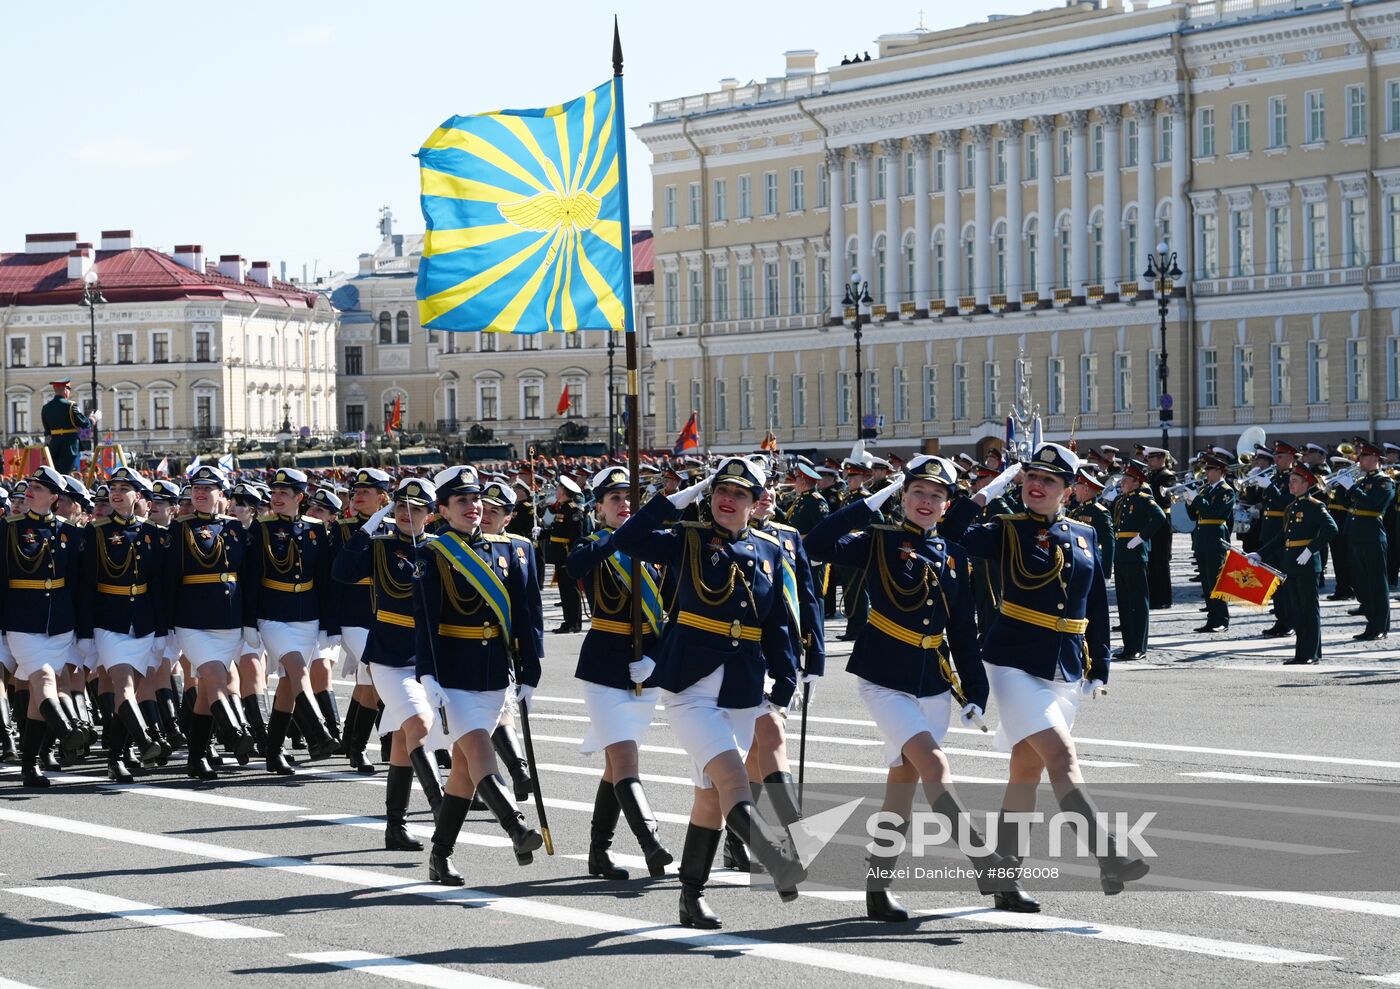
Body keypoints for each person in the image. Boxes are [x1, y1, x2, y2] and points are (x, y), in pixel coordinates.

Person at [807, 455, 1032, 921]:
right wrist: (868, 503)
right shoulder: (877, 541)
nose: (926, 502)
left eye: (936, 495)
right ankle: (991, 869)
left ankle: (877, 886)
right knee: (935, 766)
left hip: (932, 682)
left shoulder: (954, 556)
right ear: (902, 497)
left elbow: (963, 633)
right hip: (884, 678)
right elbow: (817, 543)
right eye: (917, 493)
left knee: (902, 785)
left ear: (947, 505)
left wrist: (974, 692)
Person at [943, 443, 1150, 899]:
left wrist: (1101, 663)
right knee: (1063, 757)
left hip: (1065, 666)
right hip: (1013, 660)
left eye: (1049, 481)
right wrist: (985, 493)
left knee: (1026, 771)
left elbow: (1095, 602)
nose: (1036, 486)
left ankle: (1002, 879)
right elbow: (951, 530)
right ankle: (1109, 855)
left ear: (1069, 489)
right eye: (1030, 477)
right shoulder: (1005, 528)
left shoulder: (1085, 533)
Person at [611, 457, 805, 930]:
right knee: (733, 781)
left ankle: (690, 897)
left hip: (742, 688)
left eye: (740, 494)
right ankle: (773, 858)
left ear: (756, 503)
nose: (728, 499)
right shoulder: (687, 538)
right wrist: (677, 497)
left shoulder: (769, 549)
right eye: (721, 489)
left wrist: (787, 676)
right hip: (691, 689)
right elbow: (628, 539)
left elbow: (775, 620)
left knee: (710, 798)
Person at [415, 465, 545, 883]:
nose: (473, 508)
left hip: (494, 673)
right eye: (463, 501)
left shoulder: (510, 551)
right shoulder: (432, 554)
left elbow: (527, 616)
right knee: (478, 750)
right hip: (453, 673)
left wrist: (530, 669)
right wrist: (428, 675)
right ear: (443, 510)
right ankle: (516, 826)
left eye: (476, 500)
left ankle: (439, 855)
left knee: (463, 773)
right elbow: (425, 621)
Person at [567, 465, 674, 881]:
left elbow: (676, 611)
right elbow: (576, 566)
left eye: (629, 499)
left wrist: (658, 659)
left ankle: (598, 852)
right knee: (625, 759)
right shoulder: (593, 545)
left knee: (615, 766)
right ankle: (653, 843)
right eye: (615, 499)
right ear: (599, 509)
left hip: (646, 667)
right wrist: (619, 538)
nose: (624, 505)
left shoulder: (655, 548)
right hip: (604, 668)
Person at [332, 476, 444, 850]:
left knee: (402, 739)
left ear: (430, 515)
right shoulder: (378, 547)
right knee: (418, 724)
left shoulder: (442, 551)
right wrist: (364, 530)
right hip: (390, 657)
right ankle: (441, 806)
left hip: (429, 658)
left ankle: (395, 825)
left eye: (416, 509)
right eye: (400, 507)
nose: (406, 514)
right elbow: (342, 573)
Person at [721, 476, 824, 874]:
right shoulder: (723, 536)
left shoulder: (788, 536)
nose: (764, 498)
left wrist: (813, 659)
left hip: (778, 652)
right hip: (741, 650)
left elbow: (806, 595)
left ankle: (736, 840)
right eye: (754, 492)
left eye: (767, 491)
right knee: (769, 738)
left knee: (756, 751)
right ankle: (797, 836)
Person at [161, 465, 258, 780]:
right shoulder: (179, 528)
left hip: (228, 620)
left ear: (223, 495)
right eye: (196, 489)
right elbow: (168, 579)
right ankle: (235, 733)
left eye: (208, 489)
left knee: (206, 690)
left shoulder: (235, 529)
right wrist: (166, 627)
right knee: (215, 677)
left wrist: (250, 622)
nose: (200, 494)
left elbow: (248, 579)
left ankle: (196, 757)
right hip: (193, 621)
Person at [242, 467, 338, 775]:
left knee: (287, 683)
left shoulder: (315, 528)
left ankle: (273, 752)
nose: (277, 498)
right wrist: (249, 621)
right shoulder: (262, 528)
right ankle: (318, 732)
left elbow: (324, 579)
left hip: (307, 614)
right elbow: (250, 577)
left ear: (300, 496)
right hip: (273, 613)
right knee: (296, 668)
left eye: (284, 493)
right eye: (274, 492)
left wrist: (328, 624)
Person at [76, 466, 167, 780]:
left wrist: (161, 630)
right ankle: (143, 742)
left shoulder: (153, 533)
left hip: (142, 622)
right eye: (112, 487)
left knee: (131, 692)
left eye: (123, 489)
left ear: (137, 496)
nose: (115, 493)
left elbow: (159, 586)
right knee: (123, 685)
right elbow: (86, 585)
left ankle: (115, 759)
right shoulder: (96, 530)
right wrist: (86, 633)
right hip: (109, 621)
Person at [1, 467, 90, 786]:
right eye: (29, 485)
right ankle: (66, 728)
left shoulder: (73, 533)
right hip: (22, 621)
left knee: (42, 690)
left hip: (60, 623)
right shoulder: (8, 528)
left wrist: (85, 629)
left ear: (54, 498)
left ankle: (29, 765)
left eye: (38, 487)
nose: (29, 490)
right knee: (42, 677)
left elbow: (81, 585)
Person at [327, 467, 394, 774]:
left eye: (365, 493)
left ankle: (352, 740)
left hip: (388, 614)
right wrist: (329, 623)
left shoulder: (395, 527)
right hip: (354, 613)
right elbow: (332, 576)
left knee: (368, 680)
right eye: (355, 492)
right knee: (373, 672)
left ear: (383, 497)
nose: (357, 497)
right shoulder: (342, 528)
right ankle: (361, 747)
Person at [478, 479, 540, 803]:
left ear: (509, 517)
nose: (486, 515)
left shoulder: (522, 547)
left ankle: (512, 771)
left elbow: (531, 604)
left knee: (499, 708)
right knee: (487, 712)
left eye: (495, 511)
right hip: (473, 644)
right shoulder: (462, 547)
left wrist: (533, 656)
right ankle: (510, 772)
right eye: (483, 509)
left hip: (509, 643)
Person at [1251, 462, 1338, 664]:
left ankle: (1311, 653)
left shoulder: (1315, 506)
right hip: (1291, 563)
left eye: (1295, 481)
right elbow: (1282, 537)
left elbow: (1331, 529)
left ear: (1306, 483)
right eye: (1290, 481)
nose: (1290, 485)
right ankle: (1301, 653)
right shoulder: (1291, 507)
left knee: (1309, 609)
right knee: (1297, 609)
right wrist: (1260, 554)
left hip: (1307, 563)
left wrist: (1311, 549)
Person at [1108, 461, 1165, 661]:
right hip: (1122, 555)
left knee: (1138, 603)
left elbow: (1159, 518)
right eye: (1122, 479)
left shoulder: (1143, 499)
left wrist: (1142, 537)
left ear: (1136, 482)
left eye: (1126, 479)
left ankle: (1139, 646)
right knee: (1124, 603)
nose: (1122, 482)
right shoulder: (1122, 500)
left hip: (1135, 554)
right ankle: (1128, 645)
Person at [1339, 440, 1395, 641]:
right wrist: (1343, 486)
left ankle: (1380, 627)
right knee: (1363, 584)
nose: (1359, 460)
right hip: (1356, 536)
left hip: (1372, 536)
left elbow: (1373, 504)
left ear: (1374, 459)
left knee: (1377, 584)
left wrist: (1352, 487)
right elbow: (1348, 504)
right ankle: (1371, 624)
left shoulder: (1385, 482)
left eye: (1363, 456)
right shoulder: (1363, 481)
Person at [1184, 453, 1236, 633]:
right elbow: (1194, 516)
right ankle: (1212, 618)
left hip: (1215, 538)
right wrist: (1189, 501)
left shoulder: (1226, 491)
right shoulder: (1206, 490)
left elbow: (1216, 513)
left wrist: (1196, 499)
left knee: (1216, 580)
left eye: (1209, 469)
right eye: (1206, 469)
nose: (1206, 472)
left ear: (1220, 471)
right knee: (1206, 582)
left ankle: (1222, 618)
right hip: (1202, 538)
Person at [542, 475, 586, 633]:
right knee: (564, 591)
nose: (556, 490)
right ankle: (568, 621)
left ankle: (574, 623)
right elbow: (556, 531)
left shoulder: (573, 509)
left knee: (571, 591)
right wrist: (542, 533)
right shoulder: (561, 507)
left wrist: (573, 555)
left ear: (564, 491)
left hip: (567, 555)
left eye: (559, 488)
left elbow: (576, 536)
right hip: (559, 555)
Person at [41, 380, 99, 476]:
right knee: (65, 475)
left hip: (54, 445)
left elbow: (47, 431)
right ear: (65, 390)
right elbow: (84, 423)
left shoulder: (46, 408)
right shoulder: (71, 405)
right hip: (69, 445)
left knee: (56, 474)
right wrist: (94, 418)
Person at [1142, 447, 1176, 610]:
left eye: (1152, 458)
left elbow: (1160, 497)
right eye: (1149, 459)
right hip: (1151, 520)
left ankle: (1164, 598)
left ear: (1162, 458)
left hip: (1162, 521)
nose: (1149, 462)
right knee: (1152, 560)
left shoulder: (1167, 476)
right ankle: (1154, 595)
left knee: (1161, 560)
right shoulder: (1151, 475)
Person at [1069, 468, 1114, 580]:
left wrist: (1105, 573)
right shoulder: (1076, 511)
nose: (1074, 489)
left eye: (1077, 487)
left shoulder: (1100, 512)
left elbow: (1108, 544)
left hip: (1091, 563)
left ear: (1086, 489)